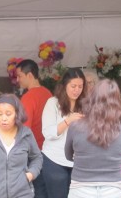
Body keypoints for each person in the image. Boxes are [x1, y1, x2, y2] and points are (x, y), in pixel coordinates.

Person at [65, 79, 121, 198]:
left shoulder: (75, 127)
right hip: (112, 189)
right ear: (117, 102)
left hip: (81, 187)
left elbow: (68, 155)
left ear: (92, 99)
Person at [41, 68, 86, 198]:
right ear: (64, 85)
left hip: (79, 161)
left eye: (80, 86)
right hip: (54, 159)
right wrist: (68, 121)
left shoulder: (86, 105)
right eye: (73, 86)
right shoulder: (53, 103)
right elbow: (48, 133)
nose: (76, 90)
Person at [16, 59, 52, 198]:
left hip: (34, 152)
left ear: (30, 75)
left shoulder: (28, 97)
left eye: (20, 76)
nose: (18, 80)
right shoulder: (48, 93)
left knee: (36, 190)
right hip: (48, 149)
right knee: (44, 188)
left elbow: (24, 129)